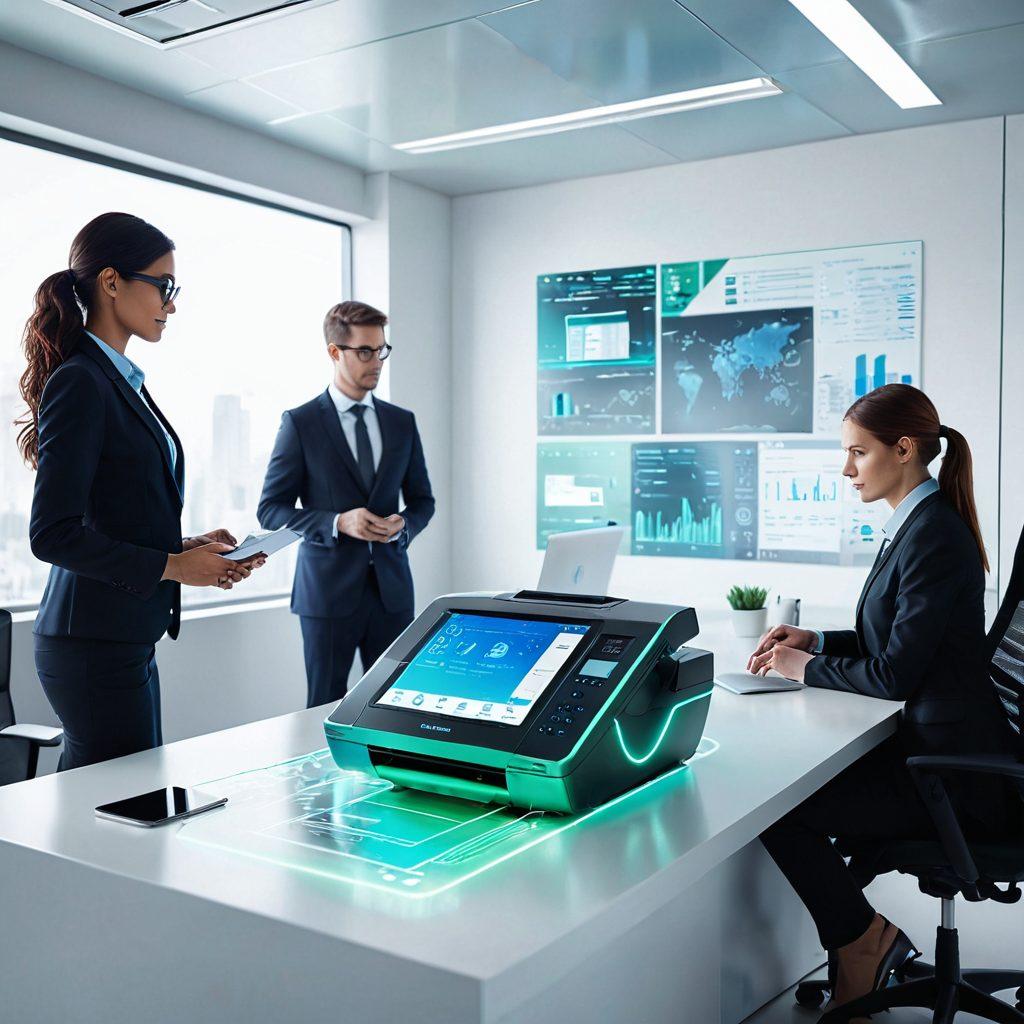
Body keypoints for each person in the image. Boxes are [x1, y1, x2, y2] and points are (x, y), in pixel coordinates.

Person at [746, 384, 1021, 1011]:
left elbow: (895, 674)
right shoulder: (916, 525)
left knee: (781, 809)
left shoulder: (934, 535)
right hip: (936, 746)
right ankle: (862, 938)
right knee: (794, 785)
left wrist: (803, 667)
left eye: (857, 453)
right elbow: (893, 639)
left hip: (955, 778)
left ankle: (863, 941)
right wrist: (815, 639)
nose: (846, 470)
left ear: (902, 450)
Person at [20, 212, 263, 771]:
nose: (171, 304)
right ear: (111, 282)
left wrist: (186, 548)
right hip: (90, 644)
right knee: (117, 811)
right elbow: (52, 535)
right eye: (163, 286)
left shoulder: (117, 380)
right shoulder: (82, 381)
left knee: (123, 805)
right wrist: (175, 568)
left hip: (122, 636)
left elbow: (114, 515)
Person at [257, 300, 435, 708]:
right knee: (323, 706)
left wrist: (403, 525)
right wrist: (338, 522)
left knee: (396, 707)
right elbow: (271, 509)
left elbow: (423, 500)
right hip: (327, 594)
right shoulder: (300, 423)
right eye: (365, 351)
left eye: (382, 350)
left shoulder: (400, 422)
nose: (377, 361)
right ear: (335, 352)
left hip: (392, 591)